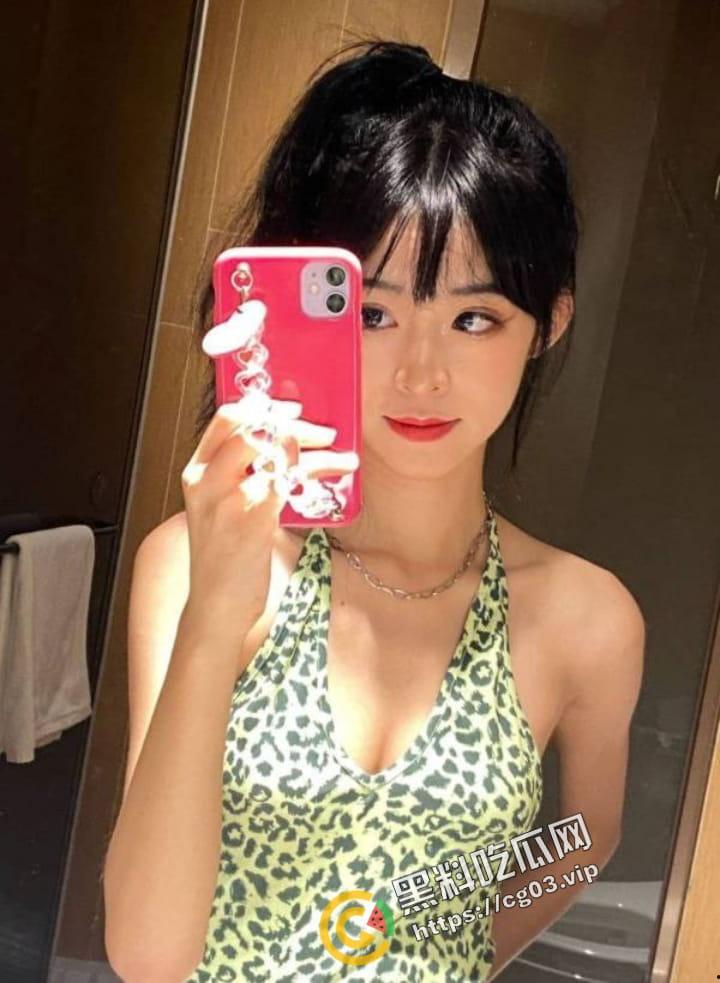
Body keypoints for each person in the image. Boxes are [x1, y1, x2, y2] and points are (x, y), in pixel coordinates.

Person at [103, 39, 645, 983]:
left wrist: (428, 931)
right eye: (371, 313)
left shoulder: (587, 616)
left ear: (548, 323)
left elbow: (582, 836)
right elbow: (147, 957)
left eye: (474, 318)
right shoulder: (198, 564)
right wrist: (216, 617)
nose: (420, 374)